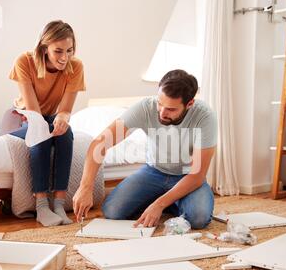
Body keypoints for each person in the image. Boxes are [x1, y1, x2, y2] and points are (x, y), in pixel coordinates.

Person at [73, 70, 217, 229]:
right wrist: (85, 187)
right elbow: (99, 144)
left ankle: (168, 200)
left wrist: (159, 205)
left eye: (171, 109)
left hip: (187, 176)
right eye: (160, 103)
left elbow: (196, 175)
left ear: (189, 104)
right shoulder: (145, 108)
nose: (162, 113)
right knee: (112, 211)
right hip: (153, 172)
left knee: (198, 218)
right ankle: (173, 201)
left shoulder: (205, 117)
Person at [6, 20, 85, 227]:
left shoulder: (75, 66)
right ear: (44, 47)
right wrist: (50, 122)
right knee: (40, 133)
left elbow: (66, 109)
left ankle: (58, 204)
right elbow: (32, 111)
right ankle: (41, 206)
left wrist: (62, 118)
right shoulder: (25, 61)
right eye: (58, 51)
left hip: (49, 116)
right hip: (21, 116)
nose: (64, 57)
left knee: (65, 134)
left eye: (69, 50)